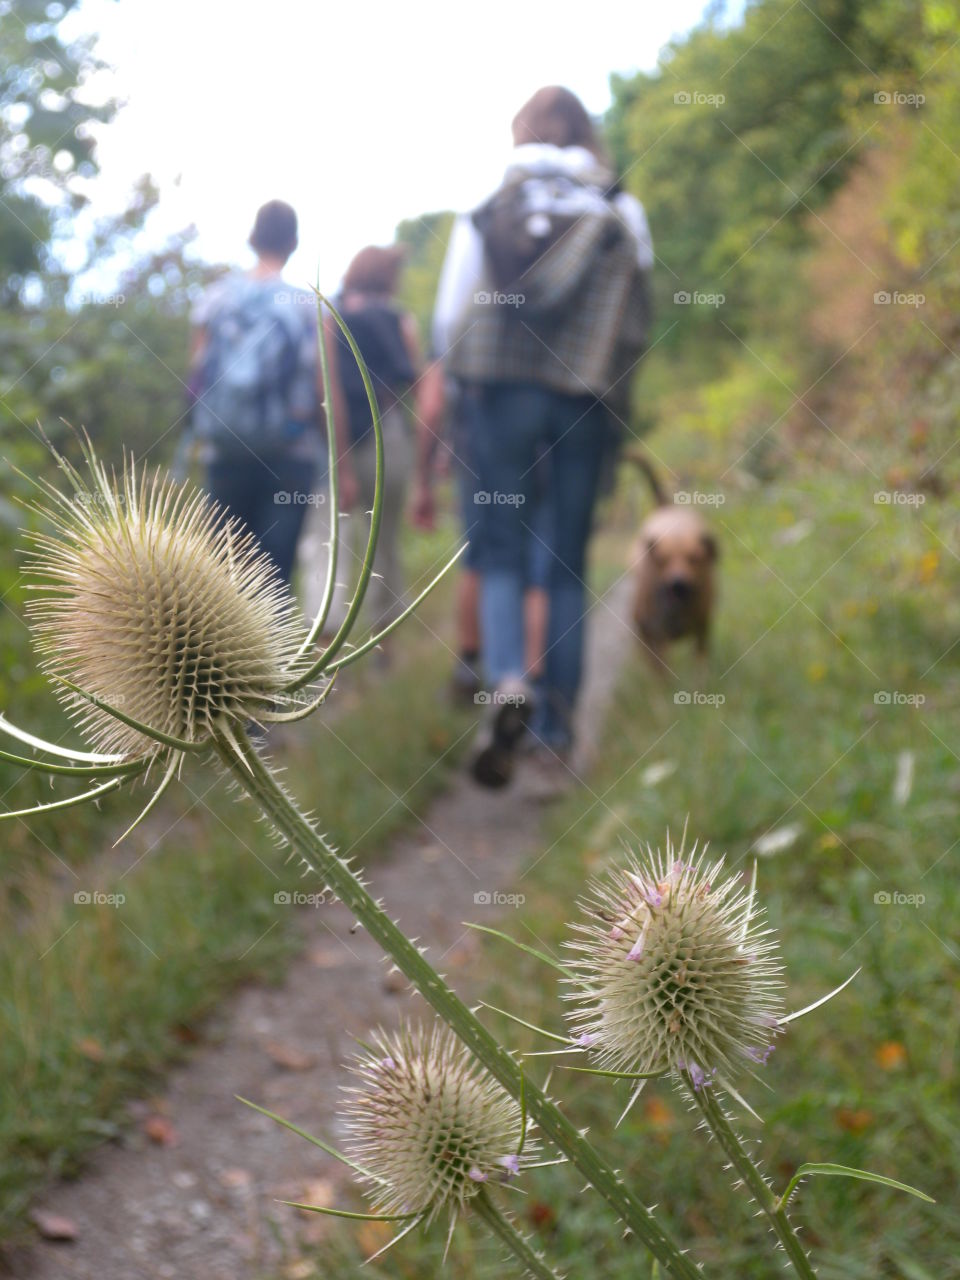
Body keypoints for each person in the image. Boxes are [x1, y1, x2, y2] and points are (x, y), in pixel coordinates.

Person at [432, 86, 653, 788]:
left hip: (500, 391)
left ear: (521, 129)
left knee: (498, 547)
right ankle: (557, 734)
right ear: (585, 131)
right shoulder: (619, 204)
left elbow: (449, 315)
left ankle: (506, 678)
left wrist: (459, 392)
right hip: (582, 398)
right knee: (563, 562)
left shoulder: (495, 194)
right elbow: (638, 321)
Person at [189, 200, 322, 585]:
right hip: (290, 456)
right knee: (273, 577)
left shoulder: (214, 300)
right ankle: (270, 647)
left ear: (251, 239)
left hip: (223, 449)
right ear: (293, 243)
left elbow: (196, 376)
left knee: (221, 578)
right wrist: (341, 464)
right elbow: (322, 391)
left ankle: (214, 647)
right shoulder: (307, 305)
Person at [322, 244, 427, 639]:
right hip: (388, 432)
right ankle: (385, 635)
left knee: (341, 538)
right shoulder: (400, 319)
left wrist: (341, 460)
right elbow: (418, 383)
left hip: (341, 438)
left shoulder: (332, 315)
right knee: (384, 538)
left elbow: (328, 389)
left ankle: (332, 637)